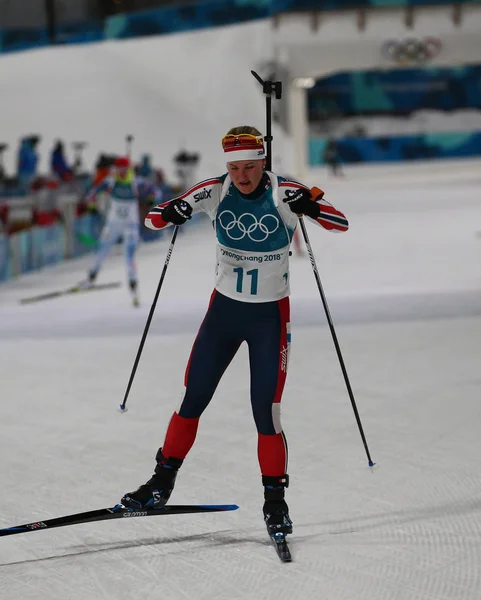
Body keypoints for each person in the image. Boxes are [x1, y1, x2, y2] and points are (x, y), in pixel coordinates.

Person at [120, 126, 349, 539]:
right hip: (223, 314)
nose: (242, 176)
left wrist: (310, 207)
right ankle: (161, 483)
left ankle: (275, 502)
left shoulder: (286, 191)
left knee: (267, 412)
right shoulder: (213, 189)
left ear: (263, 162)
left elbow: (340, 223)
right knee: (192, 398)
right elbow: (153, 218)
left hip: (269, 319)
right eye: (235, 168)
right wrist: (172, 214)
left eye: (249, 167)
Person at [79, 156, 161, 306]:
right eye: (118, 169)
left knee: (129, 256)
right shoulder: (110, 181)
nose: (120, 172)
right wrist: (91, 206)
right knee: (102, 249)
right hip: (113, 224)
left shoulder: (136, 182)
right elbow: (92, 193)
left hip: (130, 225)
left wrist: (151, 200)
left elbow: (156, 192)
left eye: (123, 169)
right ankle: (91, 278)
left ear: (128, 169)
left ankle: (134, 288)